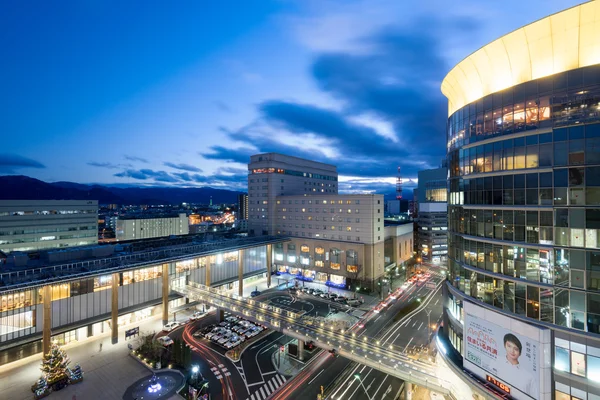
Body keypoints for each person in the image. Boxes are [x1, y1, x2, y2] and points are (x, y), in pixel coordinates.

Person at [497, 333, 538, 399]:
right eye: (509, 346)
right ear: (504, 345)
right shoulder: (496, 361)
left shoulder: (529, 376)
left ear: (520, 353)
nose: (512, 351)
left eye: (516, 349)